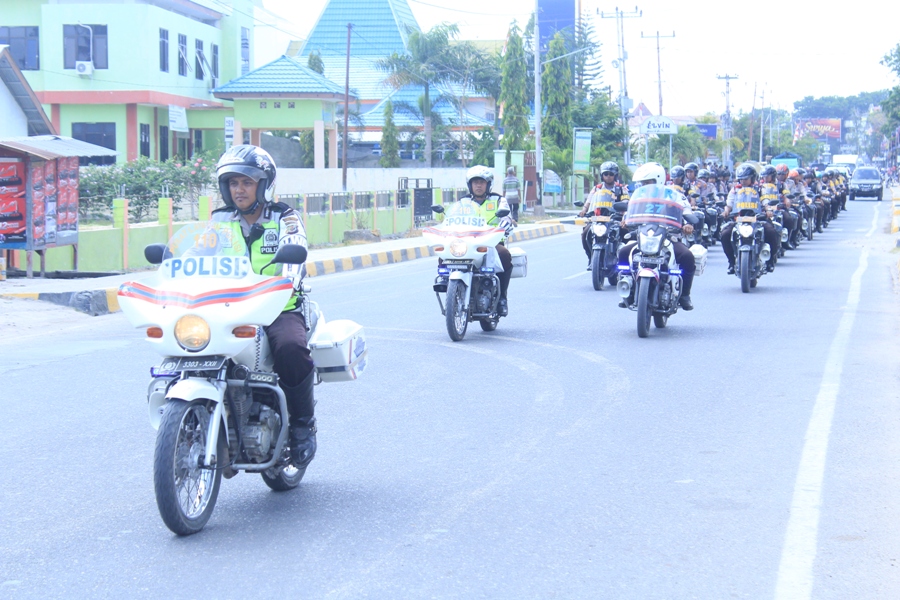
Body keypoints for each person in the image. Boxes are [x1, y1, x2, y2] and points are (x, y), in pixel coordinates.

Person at [213, 145, 317, 470]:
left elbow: (296, 246)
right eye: (232, 183)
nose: (238, 190)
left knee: (290, 347)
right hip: (228, 307)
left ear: (263, 185)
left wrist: (287, 275)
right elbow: (198, 257)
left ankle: (302, 424)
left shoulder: (284, 216)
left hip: (277, 307)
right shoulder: (219, 220)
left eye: (246, 182)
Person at [617, 161, 698, 310]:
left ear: (658, 179)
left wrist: (688, 224)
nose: (645, 185)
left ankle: (685, 294)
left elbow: (687, 211)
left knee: (687, 256)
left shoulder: (675, 195)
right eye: (643, 182)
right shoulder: (639, 196)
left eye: (648, 181)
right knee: (623, 252)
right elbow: (630, 210)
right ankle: (628, 288)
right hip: (644, 236)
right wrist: (625, 220)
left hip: (668, 237)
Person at [459, 165, 514, 316]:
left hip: (491, 243)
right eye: (475, 182)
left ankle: (502, 298)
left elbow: (506, 217)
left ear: (488, 184)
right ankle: (449, 286)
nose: (478, 185)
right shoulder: (463, 202)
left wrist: (505, 224)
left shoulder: (498, 200)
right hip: (468, 243)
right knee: (445, 255)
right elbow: (451, 218)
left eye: (482, 182)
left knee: (504, 255)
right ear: (470, 185)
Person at [720, 163, 780, 274]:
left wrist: (768, 210)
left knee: (772, 232)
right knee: (725, 234)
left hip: (757, 219)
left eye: (746, 179)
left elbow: (765, 200)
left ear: (752, 178)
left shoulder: (759, 189)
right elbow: (729, 203)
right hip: (739, 219)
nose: (743, 182)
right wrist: (726, 211)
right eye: (741, 179)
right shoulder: (735, 190)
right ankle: (731, 262)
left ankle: (770, 261)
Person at [578, 161, 629, 267]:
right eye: (606, 174)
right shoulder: (597, 188)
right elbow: (589, 201)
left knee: (627, 234)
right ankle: (590, 257)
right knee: (585, 234)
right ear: (602, 175)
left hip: (615, 219)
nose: (608, 177)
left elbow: (625, 202)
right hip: (598, 219)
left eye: (611, 174)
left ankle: (626, 261)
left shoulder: (621, 188)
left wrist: (624, 214)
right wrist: (584, 210)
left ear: (615, 175)